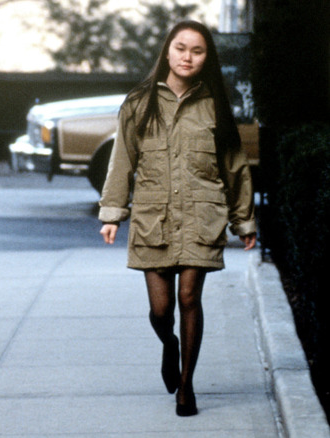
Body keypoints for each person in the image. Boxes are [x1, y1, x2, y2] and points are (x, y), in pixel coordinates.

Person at [98, 20, 257, 416]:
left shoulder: (217, 106)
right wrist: (112, 212)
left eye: (197, 50)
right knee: (161, 310)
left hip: (202, 215)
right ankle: (169, 344)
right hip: (154, 217)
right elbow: (122, 162)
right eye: (181, 48)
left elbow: (235, 167)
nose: (188, 56)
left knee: (189, 297)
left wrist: (244, 222)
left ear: (207, 58)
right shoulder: (138, 103)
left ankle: (187, 385)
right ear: (167, 51)